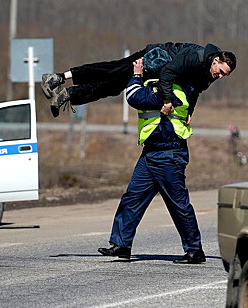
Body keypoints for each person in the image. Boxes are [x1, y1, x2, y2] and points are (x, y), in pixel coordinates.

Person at [98, 55, 233, 263]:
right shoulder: (179, 87)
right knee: (132, 198)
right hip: (151, 152)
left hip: (170, 154)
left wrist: (136, 75)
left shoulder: (167, 91)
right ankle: (121, 245)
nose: (221, 76)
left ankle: (195, 250)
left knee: (178, 204)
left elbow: (134, 97)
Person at [41, 42, 236, 118]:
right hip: (153, 58)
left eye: (223, 76)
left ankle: (68, 95)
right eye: (220, 71)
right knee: (114, 71)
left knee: (111, 87)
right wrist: (167, 101)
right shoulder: (195, 57)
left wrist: (189, 114)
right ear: (216, 60)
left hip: (156, 72)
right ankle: (59, 77)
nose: (219, 76)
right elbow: (168, 73)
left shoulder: (209, 73)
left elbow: (194, 92)